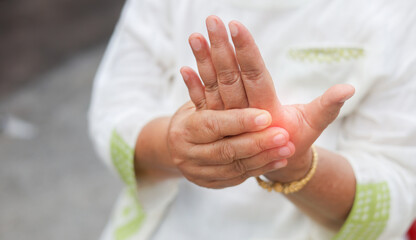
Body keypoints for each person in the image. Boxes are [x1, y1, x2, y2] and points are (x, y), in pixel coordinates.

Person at [88, 0, 416, 239]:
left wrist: (294, 164)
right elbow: (115, 110)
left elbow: (399, 188)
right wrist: (175, 143)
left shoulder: (396, 14)